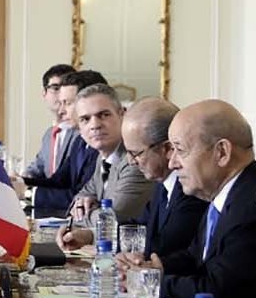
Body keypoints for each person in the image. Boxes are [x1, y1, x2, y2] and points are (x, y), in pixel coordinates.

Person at [131, 99, 256, 298]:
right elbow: (196, 256)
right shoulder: (225, 193)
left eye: (180, 150)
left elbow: (217, 291)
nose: (172, 163)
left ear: (221, 152)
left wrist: (152, 283)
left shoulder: (255, 206)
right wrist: (154, 267)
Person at [67, 98, 207, 258]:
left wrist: (103, 244)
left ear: (167, 148)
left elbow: (161, 248)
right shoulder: (163, 184)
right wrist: (89, 236)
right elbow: (138, 228)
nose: (130, 161)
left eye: (136, 153)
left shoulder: (191, 190)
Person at [20, 69, 106, 217]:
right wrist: (22, 182)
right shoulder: (80, 140)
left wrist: (27, 192)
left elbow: (79, 195)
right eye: (61, 103)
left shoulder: (100, 143)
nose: (61, 111)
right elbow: (59, 181)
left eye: (67, 103)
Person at [67, 83, 155, 222]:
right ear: (79, 129)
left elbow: (112, 219)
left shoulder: (135, 160)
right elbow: (82, 195)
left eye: (104, 115)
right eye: (85, 119)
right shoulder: (102, 157)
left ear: (122, 115)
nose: (95, 125)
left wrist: (85, 213)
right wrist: (82, 203)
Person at [23, 62, 76, 179]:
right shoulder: (49, 134)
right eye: (56, 88)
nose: (62, 93)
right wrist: (21, 178)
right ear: (44, 93)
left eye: (66, 87)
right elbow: (38, 168)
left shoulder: (81, 133)